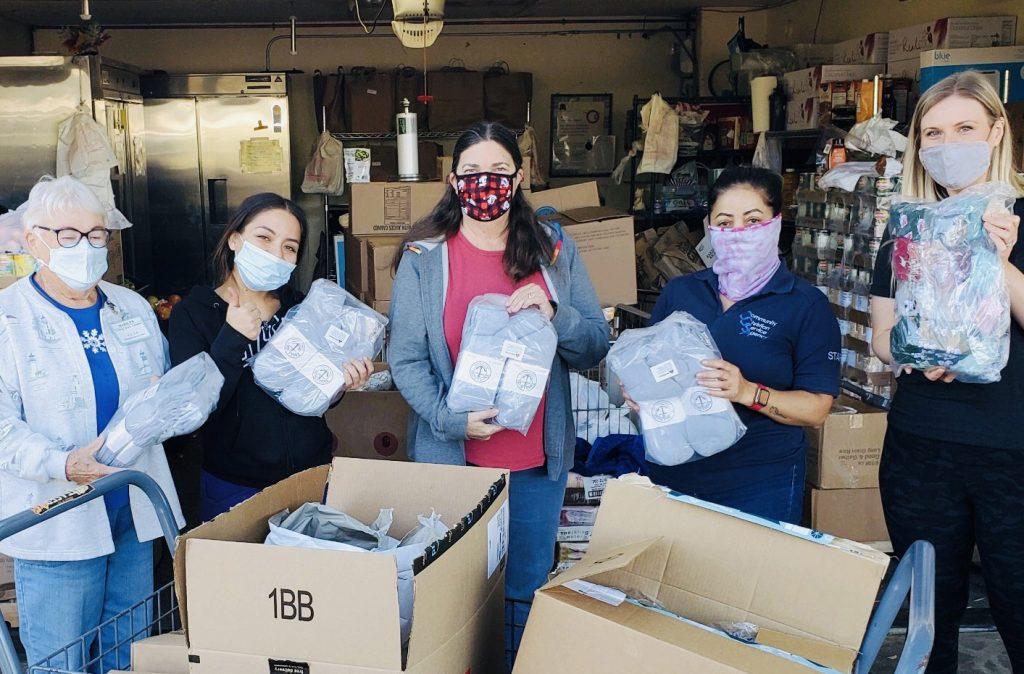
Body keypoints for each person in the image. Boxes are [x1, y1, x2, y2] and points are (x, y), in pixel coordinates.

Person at [388, 122, 608, 656]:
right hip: (454, 462)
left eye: (497, 173)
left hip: (533, 465)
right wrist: (448, 420)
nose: (485, 184)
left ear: (520, 175)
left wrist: (554, 314)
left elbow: (594, 344)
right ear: (452, 180)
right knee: (453, 598)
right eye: (471, 174)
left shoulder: (555, 250)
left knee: (522, 595)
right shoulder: (425, 258)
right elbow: (406, 358)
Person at [869, 71, 1024, 673]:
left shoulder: (1017, 219)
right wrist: (917, 351)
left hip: (1011, 452)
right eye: (932, 133)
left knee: (1016, 602)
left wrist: (1002, 259)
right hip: (922, 445)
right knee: (931, 613)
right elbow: (884, 340)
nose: (947, 144)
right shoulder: (906, 229)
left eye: (964, 128)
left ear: (996, 131)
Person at [0, 176, 185, 670]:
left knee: (128, 656)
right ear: (33, 238)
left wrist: (179, 405)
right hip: (58, 517)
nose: (84, 247)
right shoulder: (8, 317)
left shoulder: (129, 307)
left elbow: (156, 388)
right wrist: (61, 463)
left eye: (96, 235)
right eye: (68, 235)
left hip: (131, 510)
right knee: (61, 661)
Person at [625, 166, 841, 523]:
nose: (738, 232)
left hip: (759, 482)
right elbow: (650, 367)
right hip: (673, 472)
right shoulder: (682, 291)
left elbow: (816, 410)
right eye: (725, 223)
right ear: (709, 229)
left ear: (776, 223)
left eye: (753, 220)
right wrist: (639, 394)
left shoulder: (804, 304)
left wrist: (746, 392)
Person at [168, 193, 372, 521]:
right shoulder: (193, 315)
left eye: (289, 247)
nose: (276, 254)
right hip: (233, 484)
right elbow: (193, 411)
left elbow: (315, 396)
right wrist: (232, 339)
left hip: (311, 477)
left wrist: (340, 384)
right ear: (235, 239)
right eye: (264, 238)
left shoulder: (304, 310)